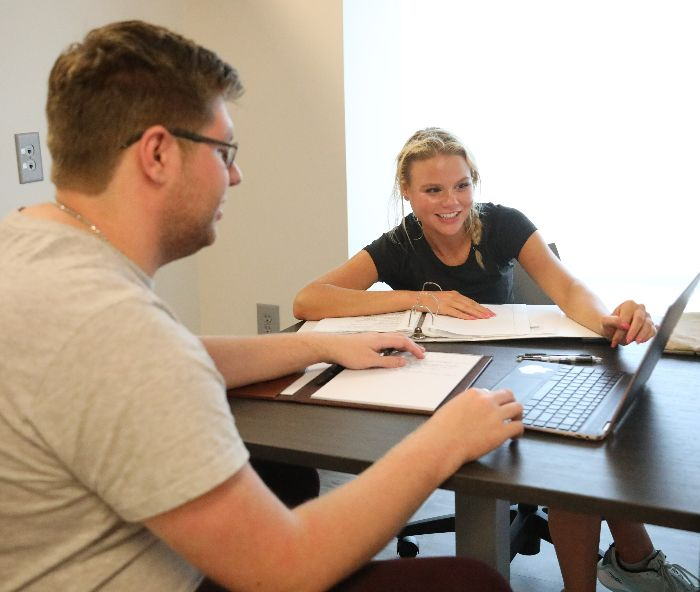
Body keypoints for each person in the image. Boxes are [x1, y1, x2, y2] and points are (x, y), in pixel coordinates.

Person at [0, 22, 525, 592]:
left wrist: (315, 343)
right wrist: (445, 439)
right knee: (470, 583)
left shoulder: (32, 245)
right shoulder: (111, 326)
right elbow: (284, 568)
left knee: (280, 470)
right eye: (224, 150)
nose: (236, 174)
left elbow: (173, 354)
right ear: (156, 153)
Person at [294, 128, 699, 592]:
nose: (451, 202)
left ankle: (623, 566)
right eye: (432, 190)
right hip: (436, 386)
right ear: (406, 192)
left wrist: (606, 319)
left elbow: (565, 288)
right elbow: (309, 300)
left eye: (462, 185)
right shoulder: (401, 243)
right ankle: (636, 562)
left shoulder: (503, 223)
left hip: (511, 370)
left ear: (474, 183)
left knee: (584, 441)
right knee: (576, 449)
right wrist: (424, 299)